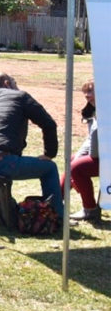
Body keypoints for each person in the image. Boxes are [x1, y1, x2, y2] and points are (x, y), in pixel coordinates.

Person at [0, 72, 62, 219]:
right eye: (15, 82)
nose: (17, 86)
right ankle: (57, 215)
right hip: (1, 160)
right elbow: (49, 124)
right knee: (49, 168)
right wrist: (49, 154)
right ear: (7, 83)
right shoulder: (20, 96)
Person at [64, 80, 101, 222]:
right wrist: (79, 155)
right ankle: (55, 202)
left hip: (105, 158)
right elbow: (91, 140)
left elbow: (95, 152)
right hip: (101, 155)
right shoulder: (93, 110)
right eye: (85, 92)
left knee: (76, 167)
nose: (87, 95)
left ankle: (90, 209)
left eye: (90, 91)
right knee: (72, 161)